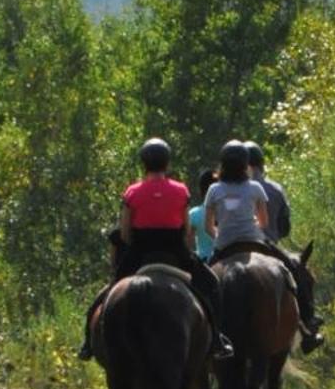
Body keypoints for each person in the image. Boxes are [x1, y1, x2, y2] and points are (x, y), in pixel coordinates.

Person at [78, 139, 233, 360]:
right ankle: (217, 339)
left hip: (140, 250)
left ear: (143, 163)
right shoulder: (180, 190)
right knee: (211, 285)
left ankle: (88, 343)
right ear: (167, 163)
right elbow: (186, 228)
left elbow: (124, 233)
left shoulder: (132, 192)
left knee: (108, 292)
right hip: (174, 249)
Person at [208, 142, 323, 352]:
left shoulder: (218, 189)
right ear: (257, 164)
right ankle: (308, 326)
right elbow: (283, 227)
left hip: (226, 243)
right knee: (296, 272)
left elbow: (212, 224)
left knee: (206, 282)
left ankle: (208, 334)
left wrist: (221, 234)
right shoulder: (271, 189)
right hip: (262, 242)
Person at [187, 168, 218, 261]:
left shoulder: (194, 214)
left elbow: (188, 243)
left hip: (204, 262)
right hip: (225, 258)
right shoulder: (227, 212)